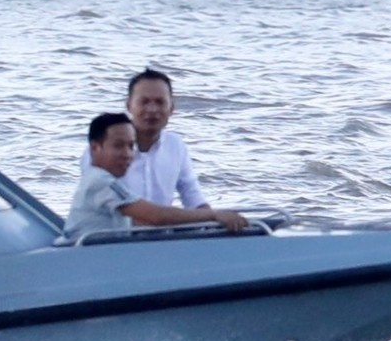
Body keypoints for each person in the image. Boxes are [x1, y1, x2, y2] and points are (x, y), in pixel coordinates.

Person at [65, 112, 252, 238]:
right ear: (95, 148)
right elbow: (157, 216)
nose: (127, 154)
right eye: (118, 146)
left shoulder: (105, 181)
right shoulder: (101, 182)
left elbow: (139, 223)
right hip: (90, 258)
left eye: (131, 146)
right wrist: (213, 215)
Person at [77, 69, 209, 209]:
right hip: (108, 229)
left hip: (162, 228)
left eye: (160, 102)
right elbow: (116, 208)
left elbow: (192, 195)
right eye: (144, 102)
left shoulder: (175, 145)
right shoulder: (103, 148)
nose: (152, 109)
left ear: (171, 108)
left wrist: (214, 218)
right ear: (129, 106)